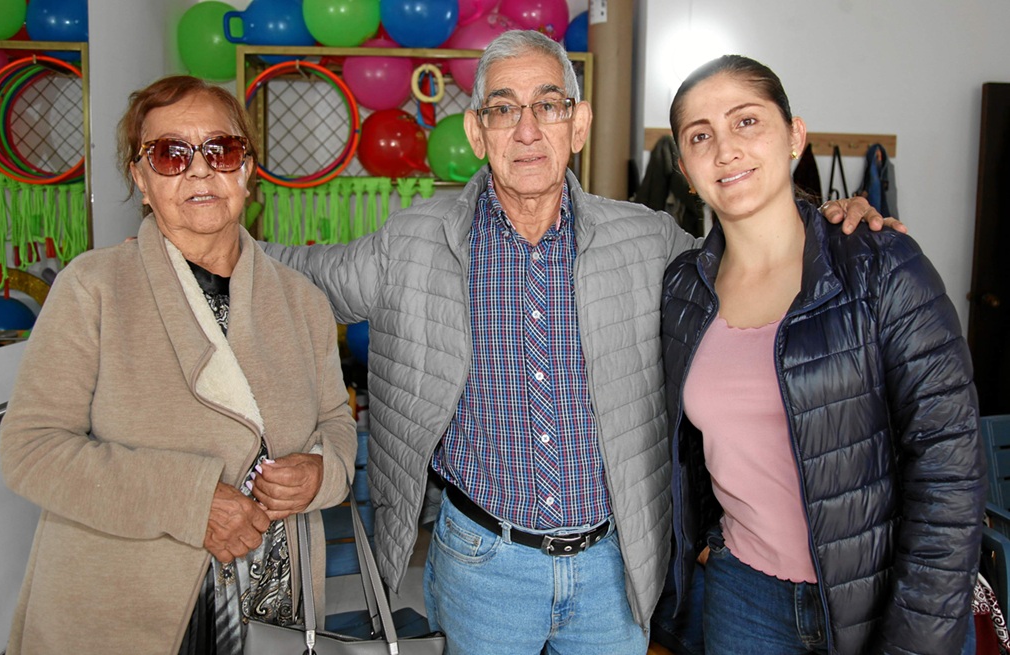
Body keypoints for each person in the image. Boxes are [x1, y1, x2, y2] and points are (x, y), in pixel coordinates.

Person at [261, 30, 890, 654]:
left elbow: (750, 267)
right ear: (478, 133)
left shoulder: (648, 241)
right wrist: (205, 231)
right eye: (503, 109)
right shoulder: (412, 243)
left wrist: (826, 225)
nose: (528, 129)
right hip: (480, 566)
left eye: (549, 104)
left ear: (578, 124)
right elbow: (298, 282)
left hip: (612, 571)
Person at [0, 76, 357, 655]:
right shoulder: (93, 288)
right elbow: (31, 451)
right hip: (124, 597)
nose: (199, 170)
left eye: (221, 150)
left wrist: (323, 472)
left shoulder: (301, 299)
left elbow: (337, 424)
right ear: (141, 179)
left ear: (247, 170)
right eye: (170, 153)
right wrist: (192, 501)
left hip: (269, 595)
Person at [660, 55, 985, 654]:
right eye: (700, 136)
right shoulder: (683, 286)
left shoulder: (881, 265)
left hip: (883, 598)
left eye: (747, 121)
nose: (725, 149)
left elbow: (951, 467)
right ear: (685, 169)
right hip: (745, 598)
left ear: (794, 136)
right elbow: (682, 440)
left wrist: (919, 636)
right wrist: (702, 536)